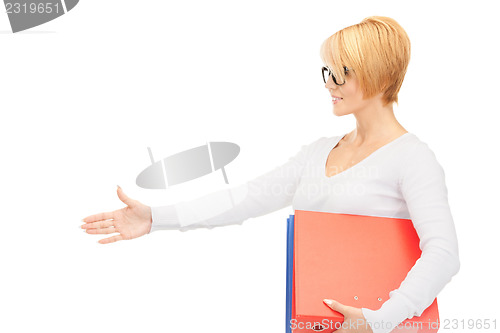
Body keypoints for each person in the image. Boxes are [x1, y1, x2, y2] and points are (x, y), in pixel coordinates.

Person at [81, 16, 460, 333]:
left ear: (376, 74)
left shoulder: (412, 158)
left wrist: (380, 321)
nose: (328, 83)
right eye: (326, 71)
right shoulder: (318, 151)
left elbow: (443, 254)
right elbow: (245, 197)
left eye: (342, 72)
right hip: (311, 324)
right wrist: (156, 217)